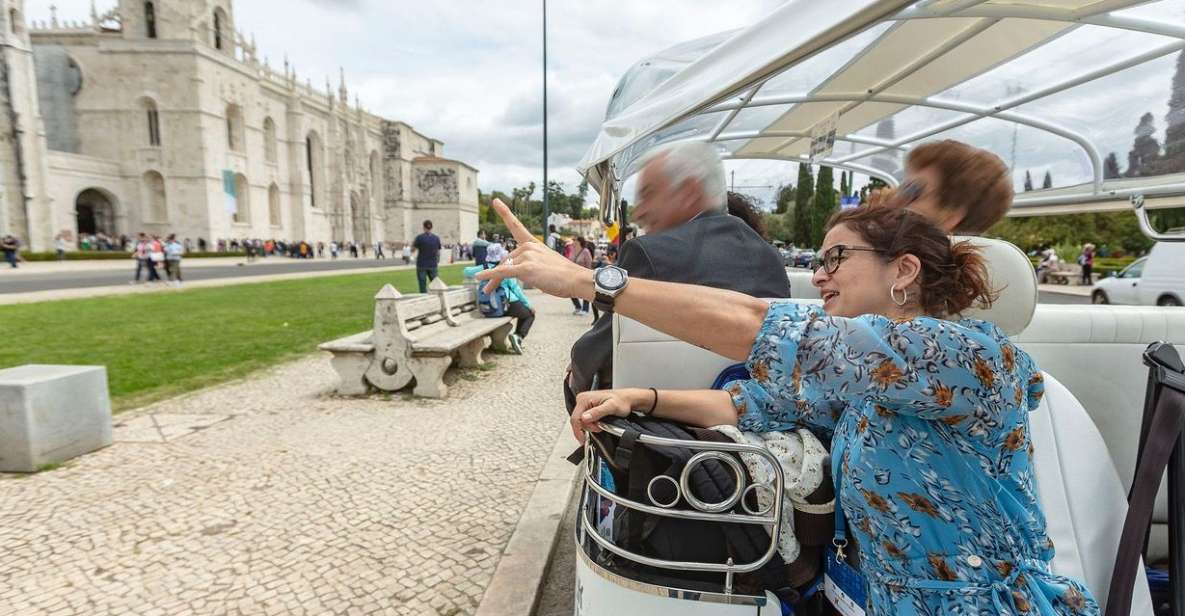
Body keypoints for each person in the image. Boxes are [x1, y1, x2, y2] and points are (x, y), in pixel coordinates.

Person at [477, 203, 1097, 616]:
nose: (819, 275)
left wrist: (592, 281)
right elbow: (757, 401)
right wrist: (642, 397)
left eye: (836, 258)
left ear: (902, 270)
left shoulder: (962, 355)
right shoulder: (872, 373)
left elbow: (758, 324)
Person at [563, 142, 790, 398]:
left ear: (689, 191)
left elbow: (597, 353)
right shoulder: (770, 256)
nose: (640, 211)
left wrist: (575, 376)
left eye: (648, 194)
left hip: (662, 421)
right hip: (756, 413)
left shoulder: (649, 253)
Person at [885, 139, 1014, 234]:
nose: (894, 199)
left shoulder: (890, 266)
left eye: (912, 190)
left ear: (949, 218)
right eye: (902, 187)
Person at [464, 252, 535, 354]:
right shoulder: (507, 268)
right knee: (529, 315)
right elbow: (516, 289)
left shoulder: (486, 267)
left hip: (488, 308)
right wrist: (528, 305)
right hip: (506, 305)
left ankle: (516, 338)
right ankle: (518, 337)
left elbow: (466, 272)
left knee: (524, 313)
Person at [412, 219, 442, 293]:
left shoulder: (419, 238)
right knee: (435, 284)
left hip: (422, 264)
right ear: (431, 227)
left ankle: (424, 299)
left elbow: (412, 250)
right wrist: (437, 260)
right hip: (433, 264)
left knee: (422, 284)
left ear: (424, 227)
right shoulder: (436, 238)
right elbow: (438, 252)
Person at [569, 237, 594, 315]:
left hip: (583, 274)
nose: (573, 242)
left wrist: (588, 274)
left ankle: (585, 309)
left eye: (575, 240)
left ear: (579, 242)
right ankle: (578, 307)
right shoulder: (572, 250)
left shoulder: (585, 251)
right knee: (570, 291)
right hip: (573, 274)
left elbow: (589, 263)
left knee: (585, 292)